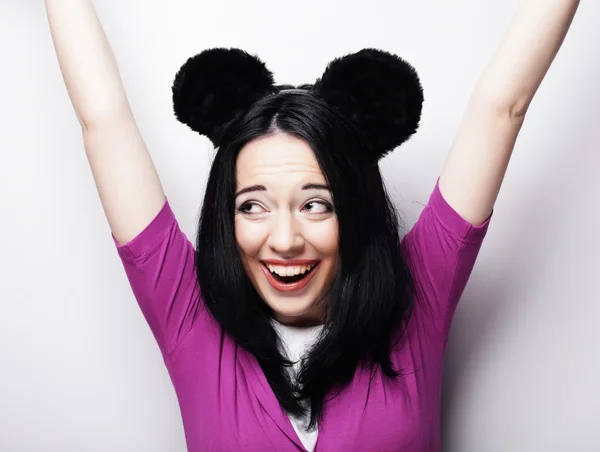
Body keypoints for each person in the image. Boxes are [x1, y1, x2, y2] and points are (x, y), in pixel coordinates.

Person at [45, 1, 580, 450]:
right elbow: (103, 119)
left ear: (354, 208)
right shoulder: (190, 316)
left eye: (315, 204)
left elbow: (502, 106)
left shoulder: (419, 297)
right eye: (252, 206)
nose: (283, 240)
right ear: (225, 217)